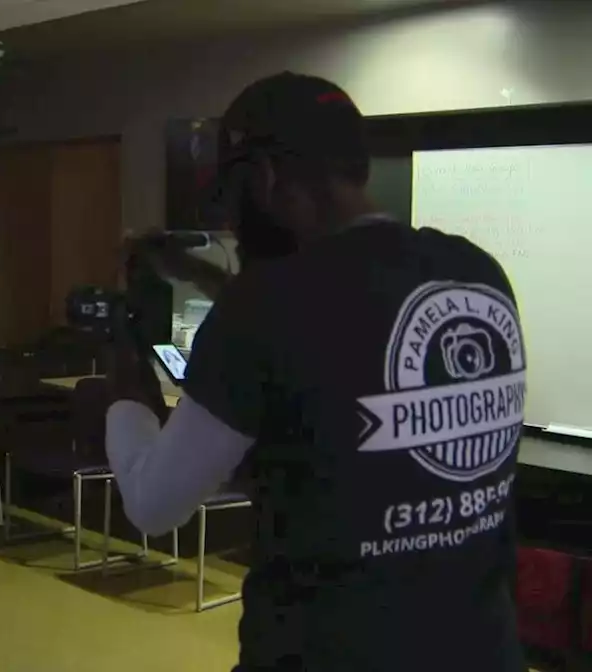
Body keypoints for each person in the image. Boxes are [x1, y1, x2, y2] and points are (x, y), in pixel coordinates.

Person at [105, 73, 526, 671]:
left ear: (268, 178)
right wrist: (200, 276)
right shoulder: (477, 271)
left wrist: (124, 372)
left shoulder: (265, 308)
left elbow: (153, 505)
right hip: (482, 651)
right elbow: (335, 331)